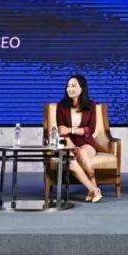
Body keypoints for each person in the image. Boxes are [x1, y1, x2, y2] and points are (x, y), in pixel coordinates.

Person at [56, 74, 103, 202]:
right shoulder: (61, 106)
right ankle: (93, 189)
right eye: (68, 86)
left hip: (86, 143)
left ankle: (93, 189)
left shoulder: (91, 105)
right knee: (71, 160)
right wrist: (71, 146)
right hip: (67, 143)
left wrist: (71, 130)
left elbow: (90, 129)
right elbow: (62, 131)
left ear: (82, 88)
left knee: (82, 152)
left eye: (73, 86)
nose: (69, 89)